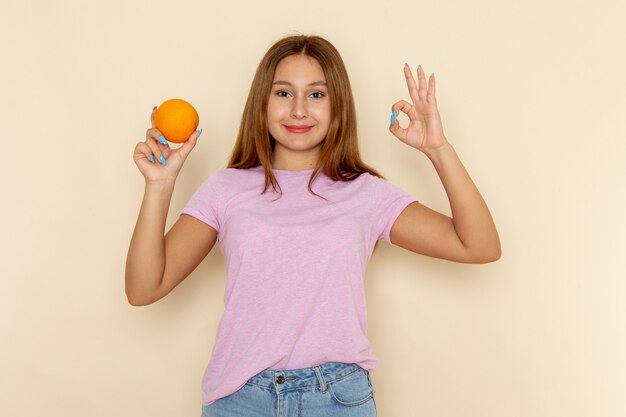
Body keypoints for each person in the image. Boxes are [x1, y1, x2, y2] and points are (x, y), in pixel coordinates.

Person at [126, 34, 500, 417]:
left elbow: (480, 246)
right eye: (284, 93)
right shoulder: (226, 189)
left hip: (337, 399)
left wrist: (438, 149)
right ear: (262, 103)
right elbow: (143, 288)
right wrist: (160, 185)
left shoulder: (365, 194)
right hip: (240, 400)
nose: (299, 110)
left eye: (317, 95)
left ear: (338, 105)